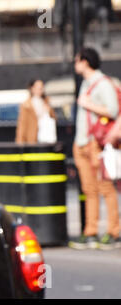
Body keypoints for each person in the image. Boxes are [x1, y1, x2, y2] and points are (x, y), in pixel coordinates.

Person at [69, 47, 120, 250]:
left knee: (105, 188)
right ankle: (90, 232)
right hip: (81, 142)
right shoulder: (85, 84)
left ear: (85, 61)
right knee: (88, 189)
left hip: (95, 143)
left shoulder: (103, 83)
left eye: (77, 61)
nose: (75, 65)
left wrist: (88, 105)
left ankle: (113, 231)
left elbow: (113, 111)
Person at [15, 79, 56, 144]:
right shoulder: (26, 105)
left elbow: (53, 119)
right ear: (32, 89)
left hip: (46, 138)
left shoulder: (46, 101)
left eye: (41, 88)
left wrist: (49, 111)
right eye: (38, 88)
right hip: (32, 139)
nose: (40, 90)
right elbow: (22, 125)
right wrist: (20, 141)